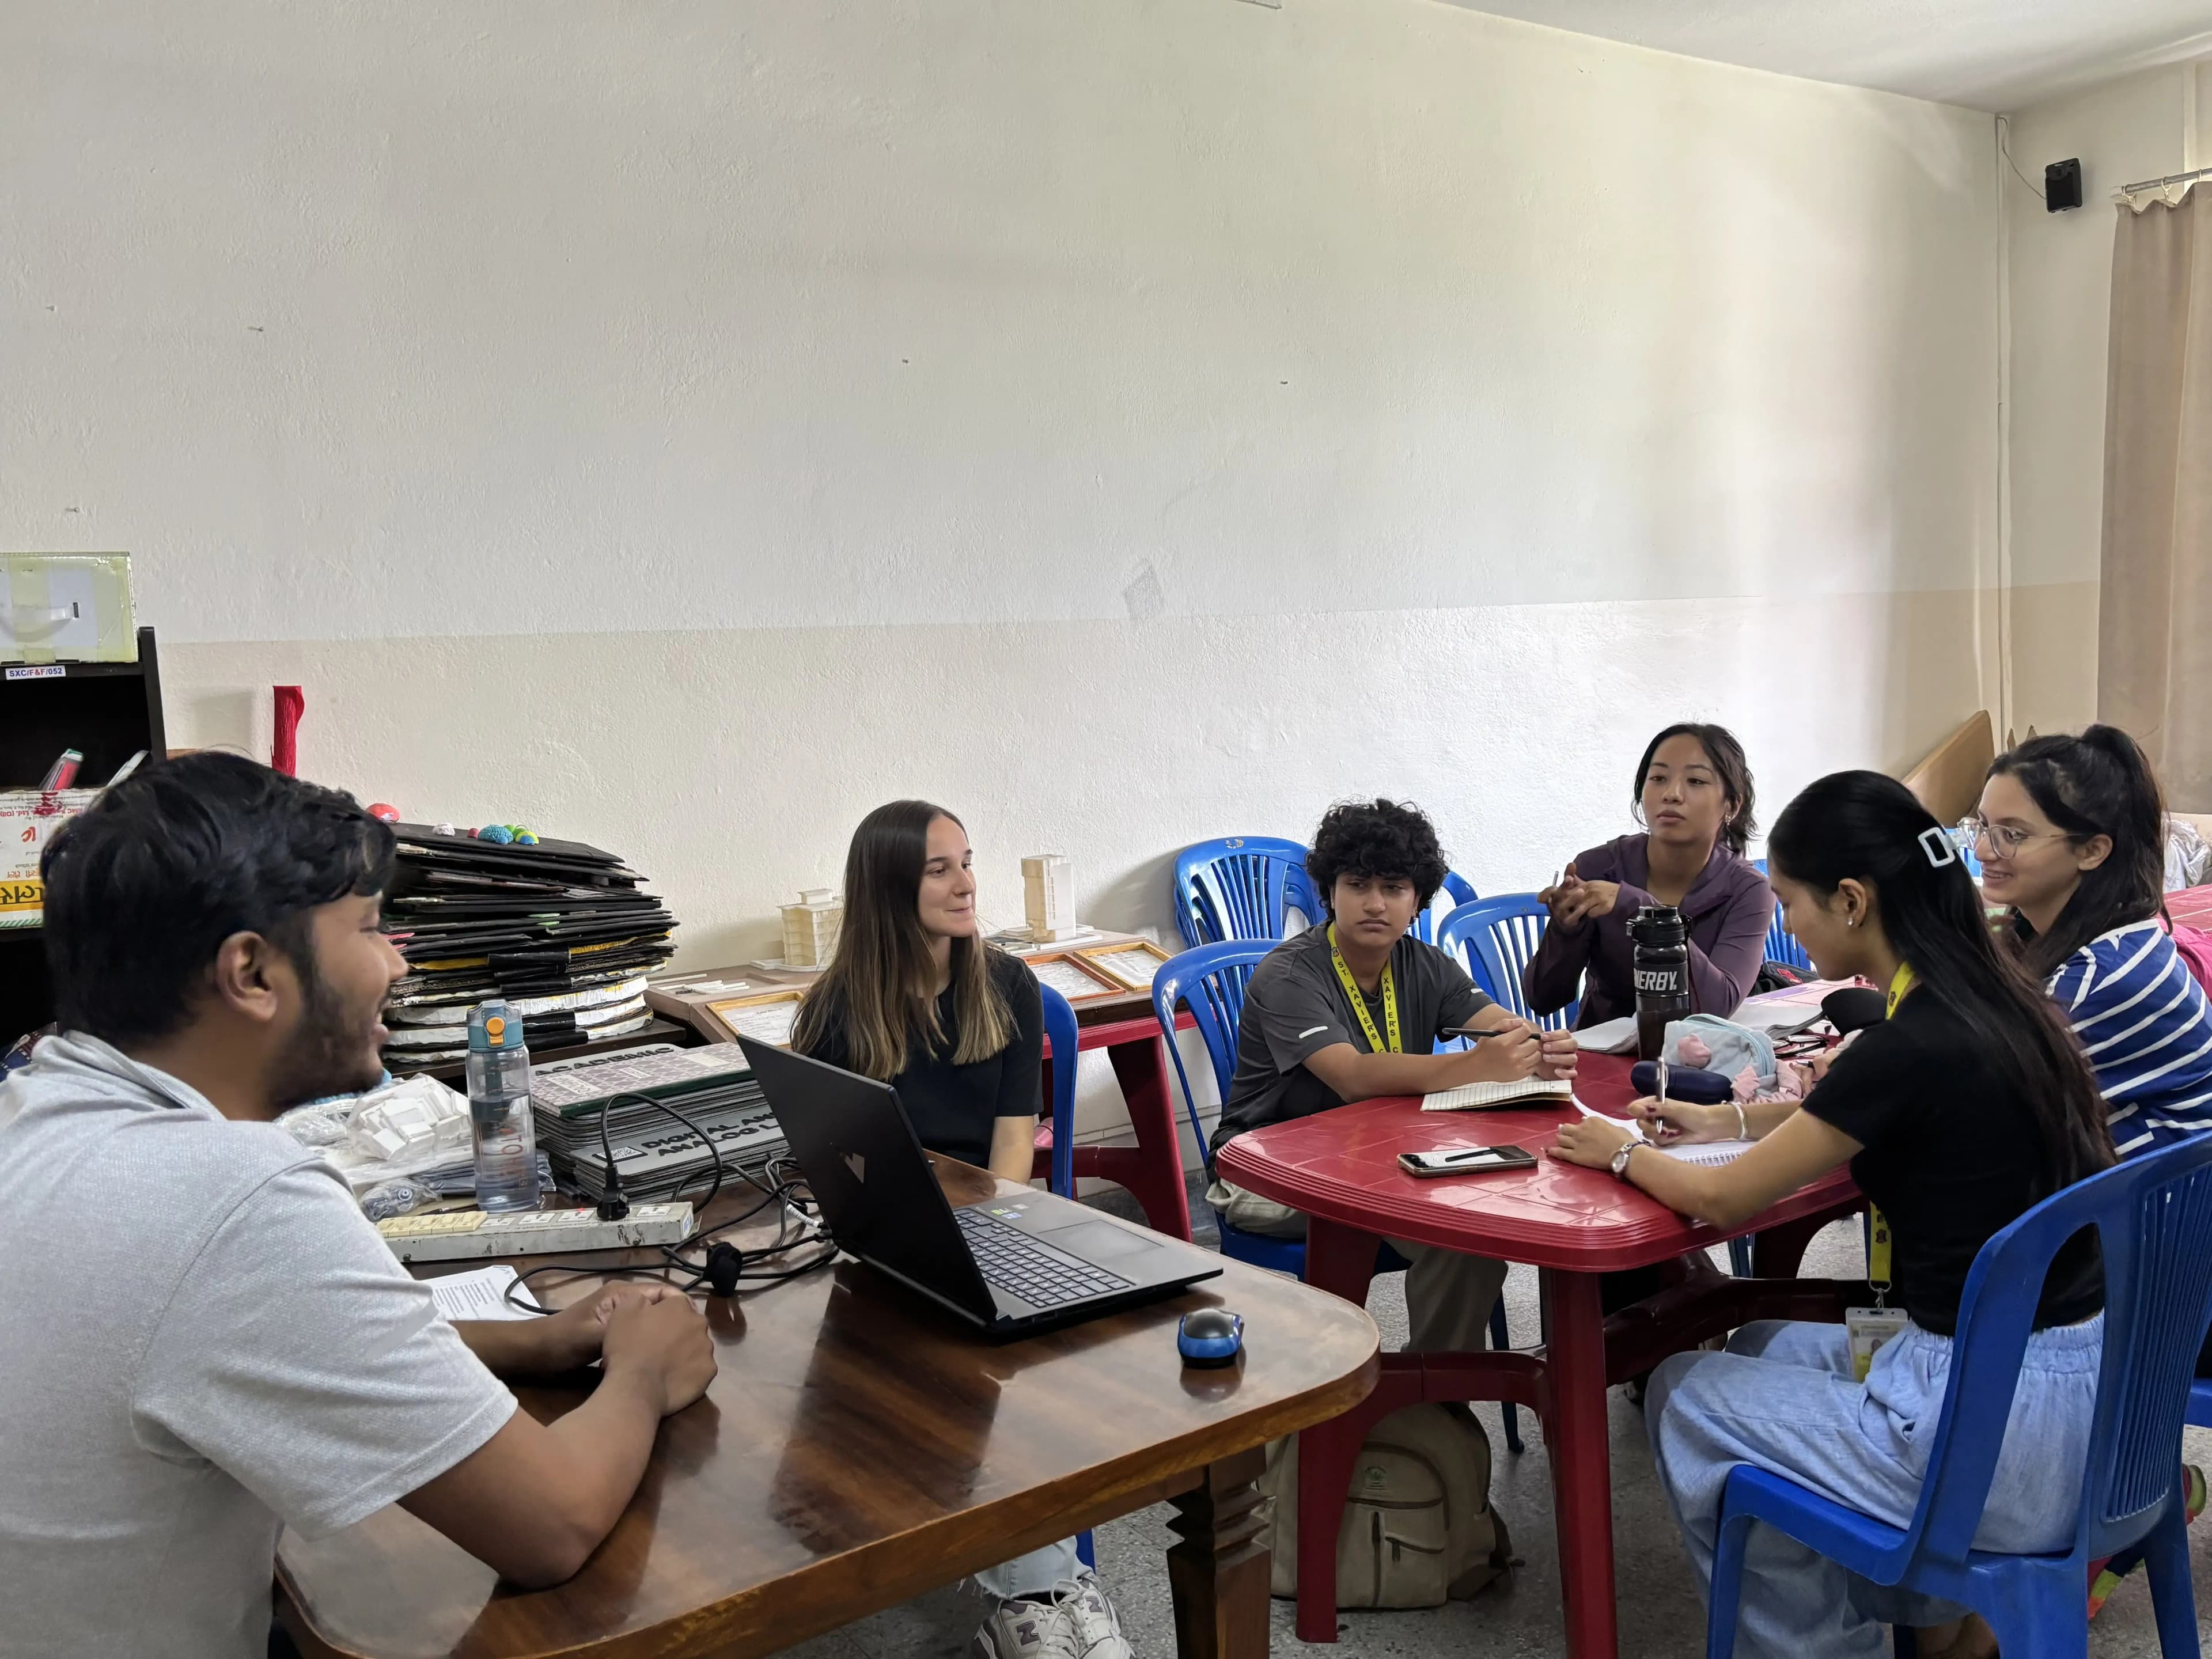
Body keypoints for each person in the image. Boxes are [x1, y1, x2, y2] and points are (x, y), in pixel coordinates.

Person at [0, 754, 717, 1659]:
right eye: (373, 928)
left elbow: (221, 1335)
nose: (397, 962)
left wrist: (535, 1342)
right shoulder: (232, 1198)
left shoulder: (38, 1106)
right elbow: (552, 1523)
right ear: (253, 974)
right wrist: (643, 1373)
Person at [1552, 770, 2112, 1659]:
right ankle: (1941, 1635)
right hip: (2088, 1403)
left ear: (1851, 901)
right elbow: (1858, 1107)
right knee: (1766, 1342)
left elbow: (1722, 1198)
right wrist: (1726, 1118)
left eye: (1791, 902)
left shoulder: (1909, 1041)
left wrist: (1620, 1150)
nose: (1789, 925)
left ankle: (1821, 1646)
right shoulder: (1999, 998)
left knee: (1682, 1390)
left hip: (1987, 1441)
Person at [791, 800, 1130, 1659]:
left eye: (968, 861)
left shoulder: (1007, 986)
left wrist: (984, 1233)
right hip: (884, 1238)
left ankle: (1039, 1593)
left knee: (991, 1350)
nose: (966, 882)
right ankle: (1048, 1592)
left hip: (994, 1221)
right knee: (913, 1358)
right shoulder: (837, 1009)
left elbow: (1014, 1147)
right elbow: (835, 1162)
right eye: (939, 868)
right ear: (888, 888)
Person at [1208, 798, 1578, 1353]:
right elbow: (1352, 1076)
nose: (1375, 903)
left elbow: (1502, 1029)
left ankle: (1431, 1405)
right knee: (1454, 1230)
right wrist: (1479, 1065)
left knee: (1468, 1239)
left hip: (1380, 1160)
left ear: (1418, 901)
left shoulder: (1426, 964)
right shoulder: (1287, 972)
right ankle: (1360, 1398)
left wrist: (1536, 1048)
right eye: (1357, 884)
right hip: (1268, 1169)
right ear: (1329, 892)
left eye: (1395, 888)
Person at [1976, 725, 2212, 1157]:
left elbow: (1969, 1095)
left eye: (2013, 835)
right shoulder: (2056, 935)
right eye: (1984, 826)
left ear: (2092, 851)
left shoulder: (2100, 979)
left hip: (2156, 1213)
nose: (1982, 850)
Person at [1524, 722, 1774, 1028]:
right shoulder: (1598, 868)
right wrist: (1565, 930)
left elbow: (1715, 1009)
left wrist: (1640, 908)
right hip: (1598, 1058)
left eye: (1696, 781)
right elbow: (1542, 999)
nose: (1671, 794)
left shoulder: (1749, 890)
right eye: (1658, 778)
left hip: (1699, 1061)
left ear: (1732, 805)